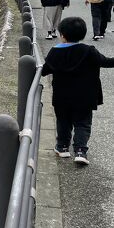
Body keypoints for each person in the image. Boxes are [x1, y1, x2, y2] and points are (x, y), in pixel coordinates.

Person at [41, 16, 114, 164]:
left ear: (62, 35)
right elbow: (105, 62)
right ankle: (81, 151)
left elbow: (44, 70)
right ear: (82, 34)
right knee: (82, 123)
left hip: (62, 97)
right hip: (85, 97)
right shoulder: (89, 51)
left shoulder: (55, 52)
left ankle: (62, 147)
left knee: (63, 121)